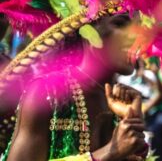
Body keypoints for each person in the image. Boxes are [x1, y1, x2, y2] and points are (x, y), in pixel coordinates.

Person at [1, 9, 148, 161]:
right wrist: (109, 152)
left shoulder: (125, 103)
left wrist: (135, 136)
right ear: (87, 30)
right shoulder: (47, 91)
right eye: (121, 24)